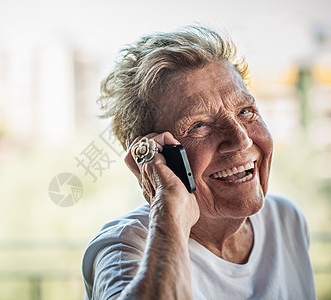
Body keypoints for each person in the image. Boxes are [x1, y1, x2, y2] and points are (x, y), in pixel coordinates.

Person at [81, 25, 317, 299]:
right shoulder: (126, 247)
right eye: (199, 125)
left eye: (245, 111)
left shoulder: (285, 219)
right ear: (158, 157)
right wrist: (169, 214)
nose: (240, 139)